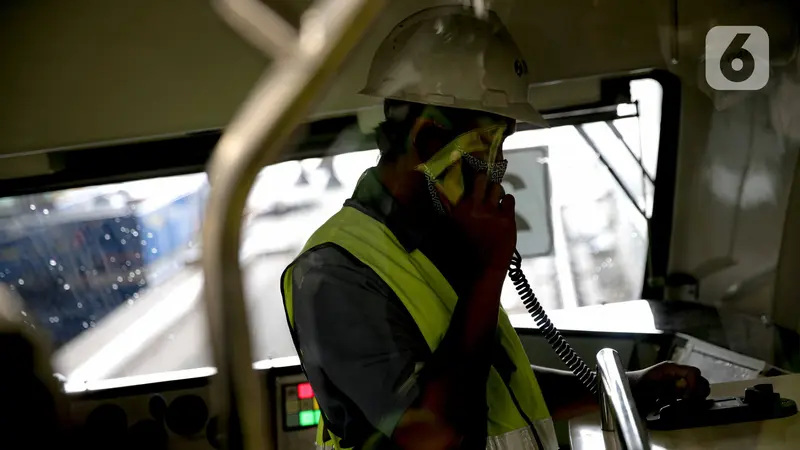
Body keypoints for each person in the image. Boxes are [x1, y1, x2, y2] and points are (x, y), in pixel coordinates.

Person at [281, 6, 710, 450]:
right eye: (489, 146)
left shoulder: (439, 241)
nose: (498, 168)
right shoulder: (333, 274)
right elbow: (436, 431)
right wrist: (487, 271)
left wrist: (623, 387)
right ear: (429, 138)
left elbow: (489, 385)